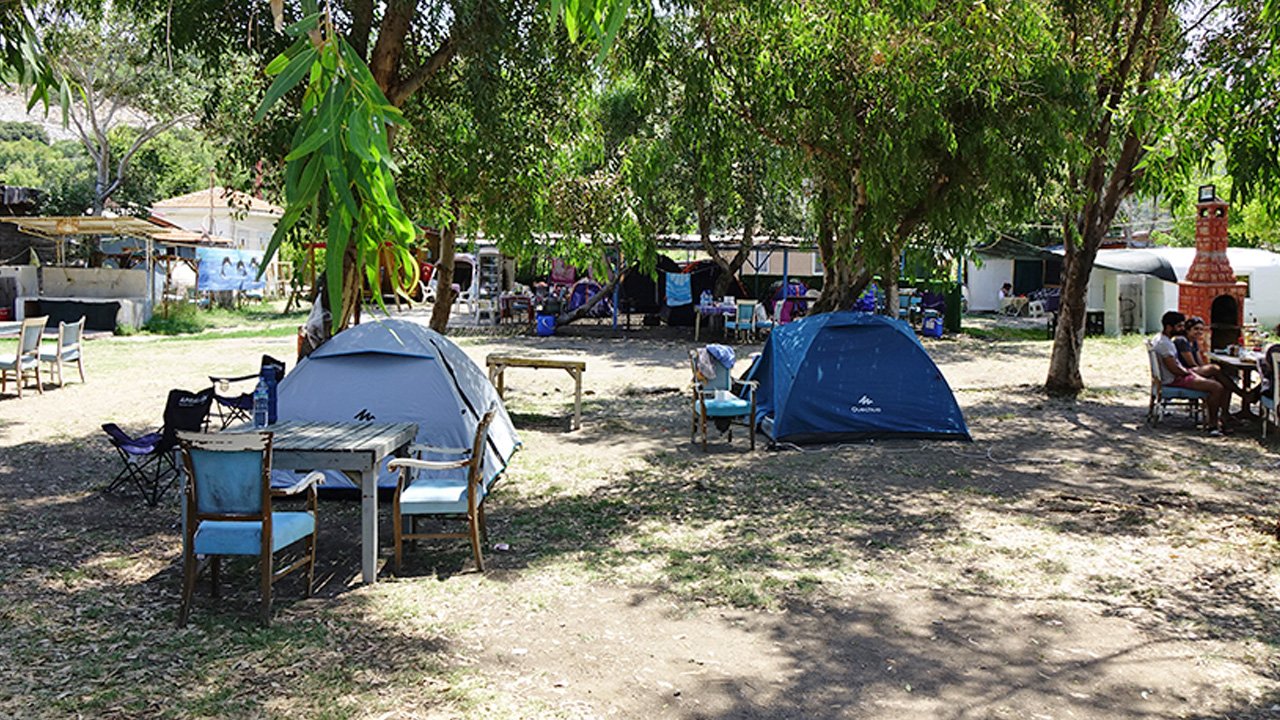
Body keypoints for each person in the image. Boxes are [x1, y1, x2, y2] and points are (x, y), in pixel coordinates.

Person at [1153, 311, 1229, 435]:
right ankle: (1213, 425)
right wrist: (1191, 374)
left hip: (1179, 374)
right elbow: (1174, 369)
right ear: (1169, 327)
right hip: (1174, 379)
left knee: (1214, 370)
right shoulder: (1164, 344)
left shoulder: (1165, 340)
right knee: (1216, 387)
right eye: (1179, 326)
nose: (1182, 329)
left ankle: (1236, 402)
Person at [1175, 316, 1256, 407]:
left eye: (1201, 329)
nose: (1199, 332)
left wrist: (1206, 371)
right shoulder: (1182, 341)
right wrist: (1207, 372)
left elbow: (1199, 362)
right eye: (1196, 329)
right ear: (1188, 330)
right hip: (1185, 372)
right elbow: (1192, 364)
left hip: (1195, 370)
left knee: (1226, 381)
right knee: (1214, 369)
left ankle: (1225, 414)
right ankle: (1243, 394)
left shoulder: (1194, 342)